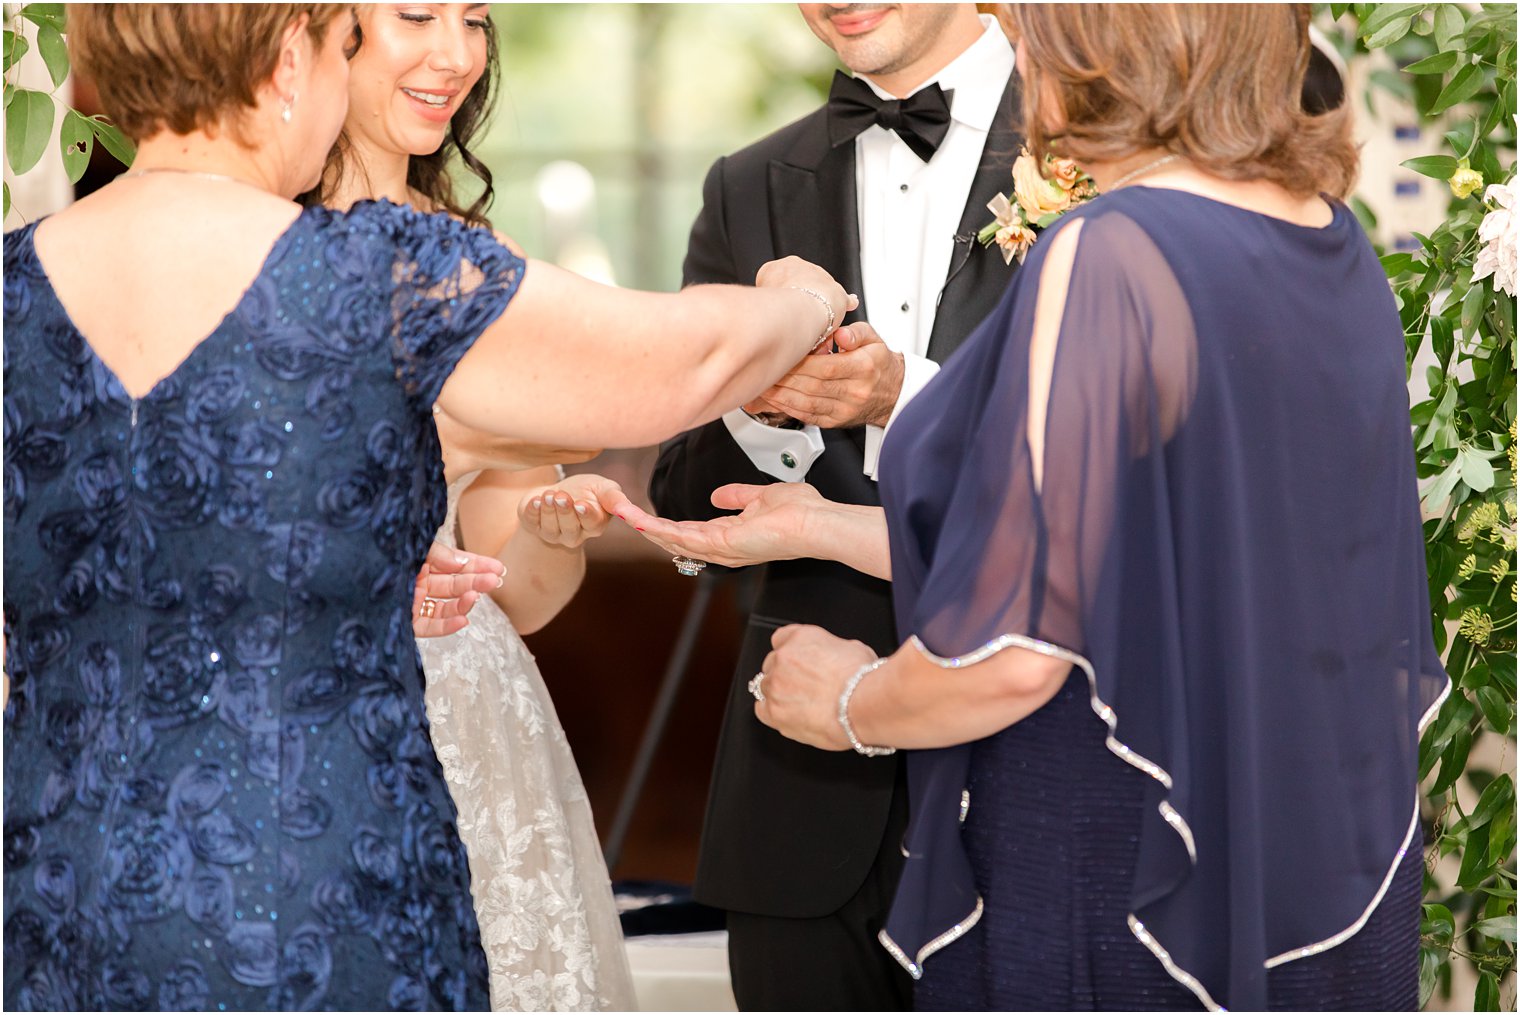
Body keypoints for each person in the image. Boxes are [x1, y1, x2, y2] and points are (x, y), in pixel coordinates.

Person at [1, 5, 851, 1010]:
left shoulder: (13, 281)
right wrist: (802, 296)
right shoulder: (374, 272)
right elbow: (682, 362)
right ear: (286, 64)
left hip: (59, 883)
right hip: (326, 881)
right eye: (338, 44)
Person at [619, 5, 1450, 1009]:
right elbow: (1133, 558)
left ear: (1093, 41)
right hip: (1287, 845)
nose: (1019, 46)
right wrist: (816, 526)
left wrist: (850, 705)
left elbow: (1018, 651)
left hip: (1117, 853)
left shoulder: (1111, 251)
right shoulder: (1330, 236)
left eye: (1030, 21)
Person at [646, 4, 1019, 1007]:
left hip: (1028, 779)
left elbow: (1117, 465)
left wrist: (901, 395)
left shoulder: (1097, 150)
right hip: (800, 809)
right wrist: (771, 409)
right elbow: (681, 485)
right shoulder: (746, 183)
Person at [307, 5, 633, 1008]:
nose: (454, 55)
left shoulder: (476, 255)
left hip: (470, 710)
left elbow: (521, 596)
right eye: (416, 14)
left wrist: (544, 535)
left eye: (477, 21)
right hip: (306, 711)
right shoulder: (232, 247)